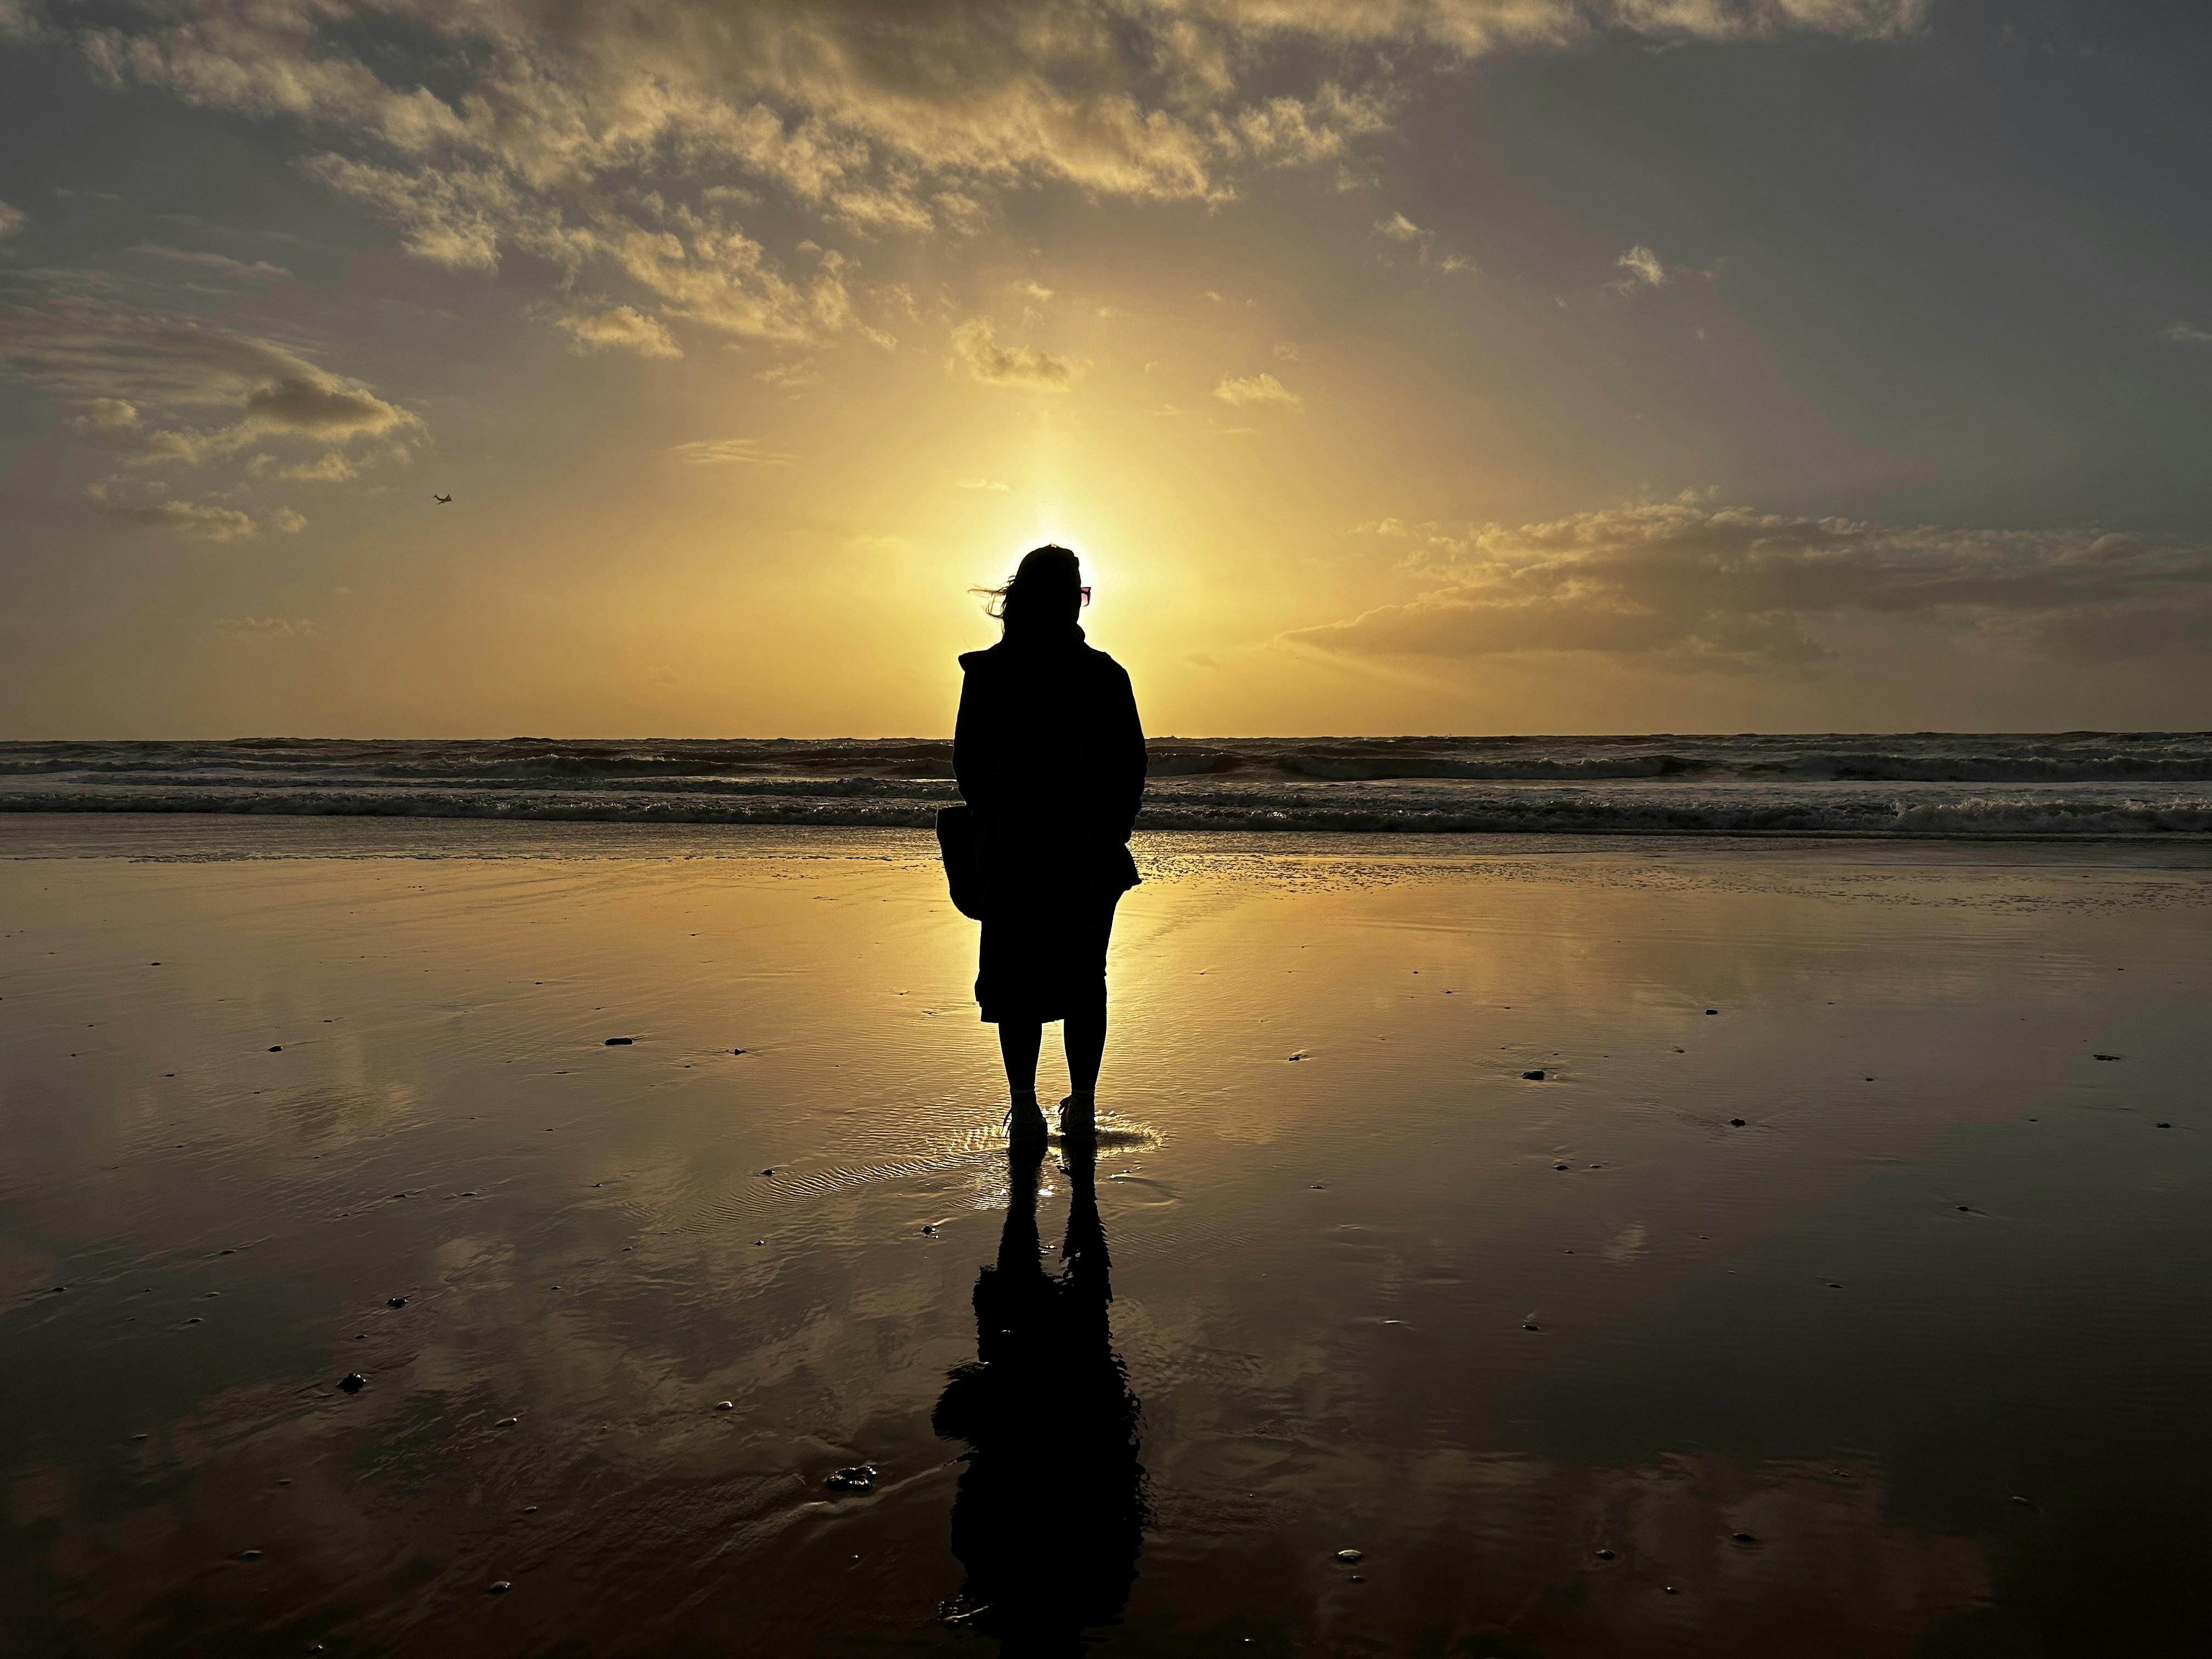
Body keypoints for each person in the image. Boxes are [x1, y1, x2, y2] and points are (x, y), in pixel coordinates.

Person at [953, 545, 1147, 1151]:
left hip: (1011, 848)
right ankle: (1083, 1104)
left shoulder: (987, 676)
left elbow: (969, 766)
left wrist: (1000, 820)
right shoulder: (1104, 676)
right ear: (1068, 600)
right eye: (1080, 593)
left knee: (1017, 982)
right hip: (1086, 851)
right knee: (1086, 978)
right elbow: (1131, 767)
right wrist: (1112, 829)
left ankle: (1025, 1107)